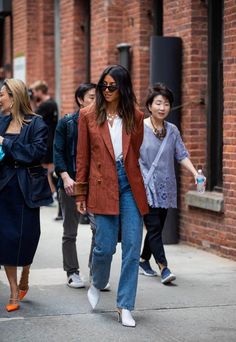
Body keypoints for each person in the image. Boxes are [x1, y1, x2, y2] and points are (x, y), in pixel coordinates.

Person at [75, 65, 149, 327]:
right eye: (103, 85)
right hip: (101, 183)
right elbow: (82, 156)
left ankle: (124, 306)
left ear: (123, 88)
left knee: (131, 248)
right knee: (104, 248)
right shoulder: (87, 115)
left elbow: (135, 153)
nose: (106, 90)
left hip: (129, 184)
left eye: (112, 86)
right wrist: (80, 192)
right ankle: (97, 281)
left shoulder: (136, 116)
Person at [138, 83, 202, 284]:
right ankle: (164, 268)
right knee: (154, 227)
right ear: (149, 106)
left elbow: (181, 154)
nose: (162, 108)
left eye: (166, 104)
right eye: (158, 103)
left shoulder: (172, 130)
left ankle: (142, 260)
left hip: (166, 186)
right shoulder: (139, 128)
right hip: (145, 186)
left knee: (157, 226)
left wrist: (194, 173)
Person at [0, 78, 52, 312]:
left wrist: (6, 144)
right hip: (3, 187)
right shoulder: (0, 121)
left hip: (26, 188)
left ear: (13, 97)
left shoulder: (37, 124)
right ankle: (13, 291)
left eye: (2, 94)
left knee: (29, 237)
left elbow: (36, 153)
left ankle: (26, 271)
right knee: (6, 240)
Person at [53, 83, 96, 288]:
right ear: (80, 100)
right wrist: (65, 177)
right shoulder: (67, 123)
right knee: (70, 231)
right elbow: (57, 151)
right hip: (71, 183)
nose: (96, 101)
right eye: (91, 97)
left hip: (95, 185)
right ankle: (72, 272)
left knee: (100, 230)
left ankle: (96, 271)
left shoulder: (102, 123)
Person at [31, 80, 58, 195]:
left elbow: (32, 117)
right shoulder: (52, 102)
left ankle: (50, 191)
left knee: (44, 168)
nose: (33, 94)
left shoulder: (45, 105)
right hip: (51, 138)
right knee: (48, 167)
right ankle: (51, 191)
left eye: (34, 91)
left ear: (40, 91)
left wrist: (32, 101)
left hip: (46, 140)